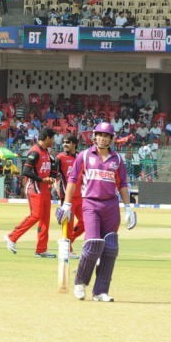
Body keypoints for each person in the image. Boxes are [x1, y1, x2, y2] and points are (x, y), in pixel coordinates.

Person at [57, 122, 136, 302]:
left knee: (110, 249)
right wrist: (67, 205)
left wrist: (128, 207)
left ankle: (100, 291)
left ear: (111, 138)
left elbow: (122, 184)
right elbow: (73, 180)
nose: (102, 138)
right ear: (94, 136)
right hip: (90, 203)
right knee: (92, 244)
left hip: (111, 206)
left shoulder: (117, 160)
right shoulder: (84, 156)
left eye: (106, 135)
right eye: (99, 135)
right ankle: (80, 282)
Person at [6, 127, 57, 258]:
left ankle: (41, 249)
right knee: (36, 215)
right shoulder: (35, 152)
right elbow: (26, 172)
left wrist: (51, 177)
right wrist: (42, 179)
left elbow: (50, 169)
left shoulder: (46, 152)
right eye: (52, 138)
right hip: (35, 188)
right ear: (47, 138)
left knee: (45, 219)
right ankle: (12, 237)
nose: (54, 141)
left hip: (45, 188)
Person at [54, 134, 83, 257]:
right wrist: (57, 187)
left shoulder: (81, 157)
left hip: (81, 196)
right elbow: (55, 175)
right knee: (68, 225)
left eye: (68, 142)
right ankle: (67, 250)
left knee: (86, 222)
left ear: (74, 144)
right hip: (67, 197)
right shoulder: (60, 157)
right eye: (64, 142)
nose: (65, 144)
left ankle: (67, 242)